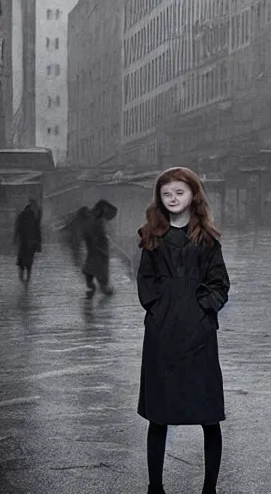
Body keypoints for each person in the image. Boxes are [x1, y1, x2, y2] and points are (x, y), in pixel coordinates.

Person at [136, 167, 229, 494]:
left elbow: (219, 283)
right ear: (159, 199)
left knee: (209, 416)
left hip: (200, 337)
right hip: (162, 337)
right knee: (158, 415)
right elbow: (145, 283)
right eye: (166, 193)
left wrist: (203, 309)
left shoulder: (206, 238)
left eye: (179, 192)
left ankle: (209, 488)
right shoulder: (152, 237)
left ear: (193, 195)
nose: (173, 198)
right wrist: (160, 312)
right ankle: (155, 487)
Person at [82, 199, 118, 298]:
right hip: (98, 249)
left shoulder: (96, 219)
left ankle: (96, 286)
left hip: (98, 249)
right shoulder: (95, 220)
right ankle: (100, 287)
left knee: (93, 268)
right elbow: (91, 233)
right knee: (98, 268)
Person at [13, 200, 42, 283]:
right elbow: (18, 228)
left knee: (26, 263)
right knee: (26, 263)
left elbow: (37, 230)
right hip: (27, 243)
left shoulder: (27, 216)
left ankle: (24, 281)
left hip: (28, 244)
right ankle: (24, 281)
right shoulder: (24, 216)